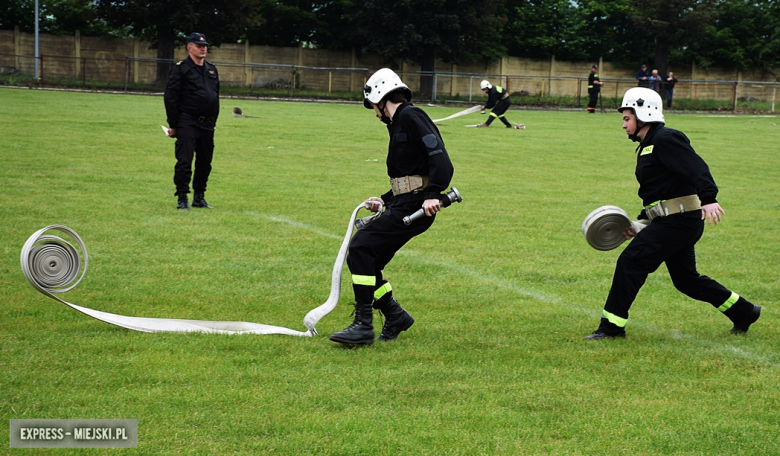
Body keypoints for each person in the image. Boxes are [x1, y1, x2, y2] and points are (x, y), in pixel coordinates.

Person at [585, 87, 761, 340]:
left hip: (679, 222)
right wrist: (641, 223)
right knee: (686, 280)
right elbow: (659, 193)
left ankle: (611, 328)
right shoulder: (649, 146)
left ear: (643, 114)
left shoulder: (666, 139)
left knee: (631, 262)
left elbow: (697, 168)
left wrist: (709, 198)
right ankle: (744, 311)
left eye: (626, 118)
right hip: (675, 221)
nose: (623, 125)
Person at [329, 68, 454, 345]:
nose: (375, 113)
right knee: (365, 259)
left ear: (381, 98)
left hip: (417, 205)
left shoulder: (411, 115)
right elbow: (408, 175)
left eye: (374, 107)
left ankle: (363, 325)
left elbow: (441, 159)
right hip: (404, 202)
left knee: (361, 247)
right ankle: (395, 315)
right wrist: (384, 199)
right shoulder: (398, 123)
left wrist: (433, 193)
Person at [164, 32, 220, 210]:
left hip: (208, 123)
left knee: (205, 162)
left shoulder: (211, 69)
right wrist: (174, 124)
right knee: (185, 161)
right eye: (198, 46)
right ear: (189, 47)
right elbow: (171, 97)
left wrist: (214, 120)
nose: (203, 48)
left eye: (204, 46)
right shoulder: (180, 69)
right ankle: (182, 198)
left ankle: (199, 197)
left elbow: (215, 96)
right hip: (187, 121)